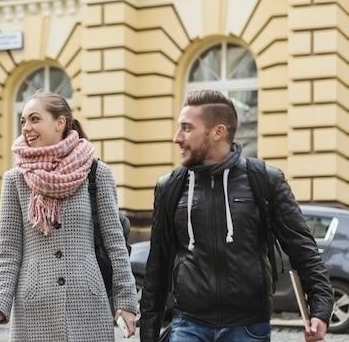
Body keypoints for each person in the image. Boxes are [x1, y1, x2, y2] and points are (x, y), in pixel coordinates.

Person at [139, 90, 334, 342]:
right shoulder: (170, 187)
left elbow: (303, 248)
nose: (177, 138)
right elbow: (157, 264)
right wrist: (148, 333)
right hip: (188, 324)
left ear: (218, 132)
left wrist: (320, 309)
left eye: (187, 128)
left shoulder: (265, 180)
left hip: (248, 327)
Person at [0, 91, 138, 341]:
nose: (27, 128)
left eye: (35, 119)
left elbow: (115, 244)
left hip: (88, 306)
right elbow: (8, 250)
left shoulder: (96, 173)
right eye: (23, 121)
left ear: (60, 123)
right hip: (33, 309)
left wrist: (125, 301)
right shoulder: (15, 180)